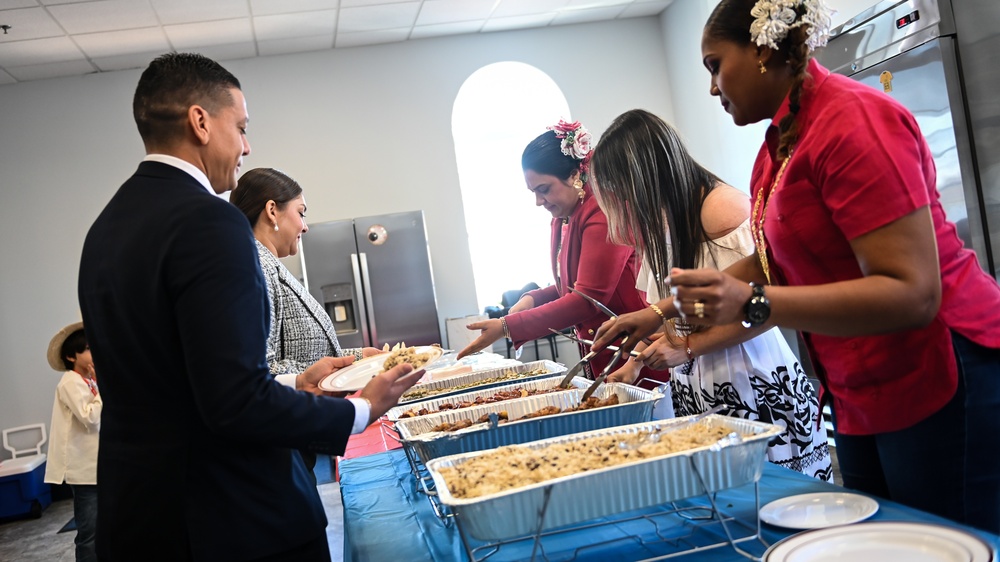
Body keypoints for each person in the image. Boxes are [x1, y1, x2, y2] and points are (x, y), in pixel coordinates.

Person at [597, 0, 1000, 533]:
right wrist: (664, 311)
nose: (712, 88)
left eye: (715, 65)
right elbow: (773, 263)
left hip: (941, 369)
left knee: (945, 540)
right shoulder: (779, 145)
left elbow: (913, 293)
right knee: (881, 541)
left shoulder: (852, 120)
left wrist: (753, 304)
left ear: (763, 51)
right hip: (860, 384)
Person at [77, 52, 424, 561]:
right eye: (240, 127)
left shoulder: (104, 229)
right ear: (200, 121)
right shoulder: (209, 223)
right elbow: (234, 399)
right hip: (232, 517)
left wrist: (295, 382)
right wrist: (360, 409)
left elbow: (181, 378)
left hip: (141, 517)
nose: (246, 146)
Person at [590, 108, 831, 480]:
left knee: (776, 505)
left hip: (752, 386)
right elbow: (685, 320)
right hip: (700, 388)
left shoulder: (720, 210)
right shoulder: (668, 218)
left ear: (646, 180)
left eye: (621, 195)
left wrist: (686, 349)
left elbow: (763, 313)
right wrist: (637, 359)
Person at [456, 120, 664, 385]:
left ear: (574, 175)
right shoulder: (566, 214)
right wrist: (532, 299)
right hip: (604, 356)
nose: (538, 201)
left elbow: (587, 298)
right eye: (534, 192)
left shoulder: (602, 210)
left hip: (637, 357)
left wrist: (507, 327)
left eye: (544, 190)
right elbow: (570, 285)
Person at [230, 167, 383, 482]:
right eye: (301, 213)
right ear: (272, 210)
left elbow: (303, 350)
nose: (305, 226)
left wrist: (358, 357)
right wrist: (347, 368)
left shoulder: (271, 266)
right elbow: (264, 367)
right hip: (281, 444)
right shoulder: (258, 268)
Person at [43, 322, 101, 562]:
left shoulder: (90, 381)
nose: (92, 352)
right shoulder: (70, 381)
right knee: (89, 532)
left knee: (103, 528)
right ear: (70, 356)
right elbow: (90, 417)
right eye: (86, 348)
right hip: (83, 469)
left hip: (97, 465)